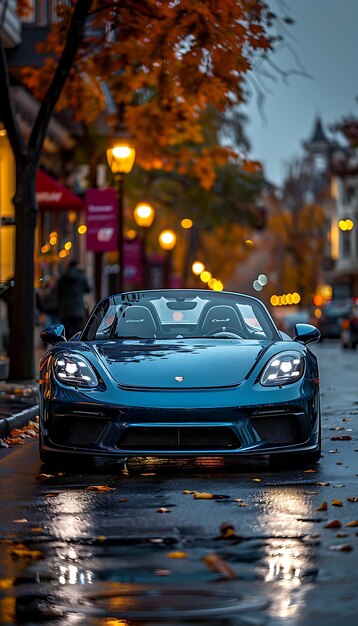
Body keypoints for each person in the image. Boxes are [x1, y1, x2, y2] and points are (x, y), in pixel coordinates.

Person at [58, 260, 91, 339]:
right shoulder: (81, 276)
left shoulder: (62, 277)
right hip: (78, 308)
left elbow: (59, 292)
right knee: (78, 331)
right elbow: (88, 289)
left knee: (65, 331)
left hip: (65, 308)